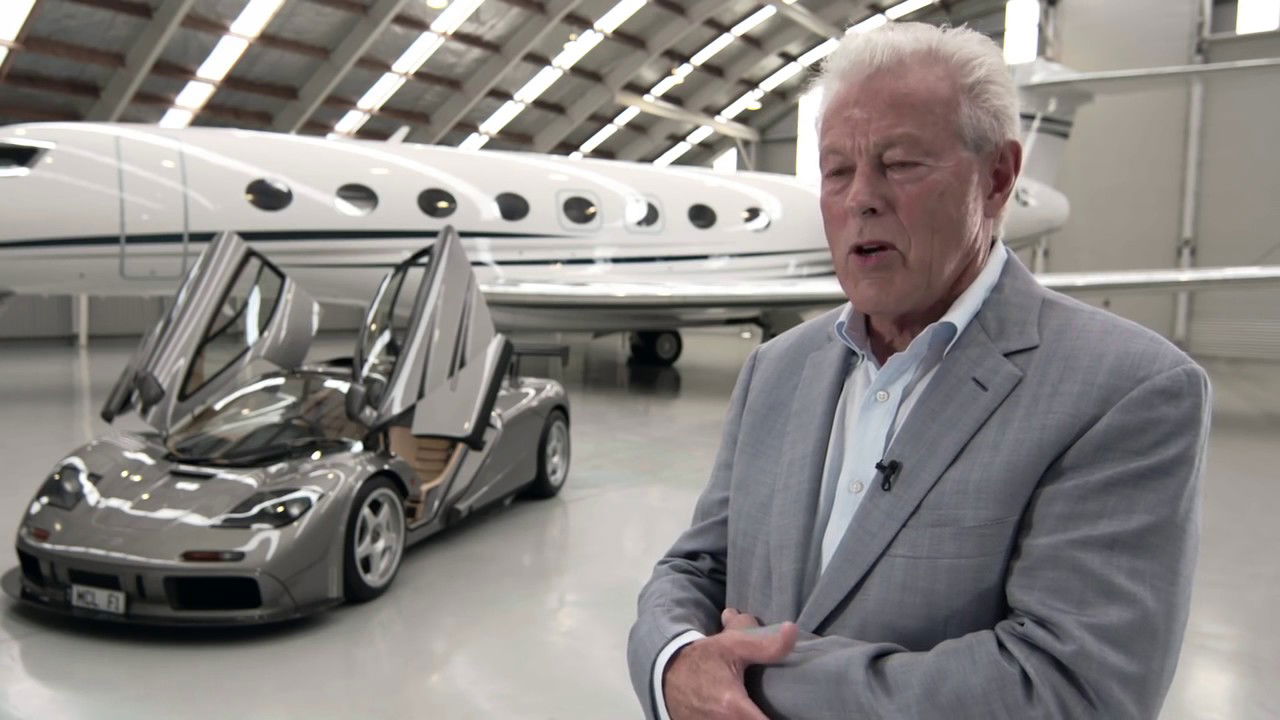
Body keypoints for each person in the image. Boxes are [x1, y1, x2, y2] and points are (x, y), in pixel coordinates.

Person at [627, 21, 1211, 720]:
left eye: (899, 164)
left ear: (996, 179)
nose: (860, 198)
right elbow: (694, 569)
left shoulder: (1128, 391)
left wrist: (742, 681)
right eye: (837, 170)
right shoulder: (776, 370)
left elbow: (1069, 689)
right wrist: (672, 662)